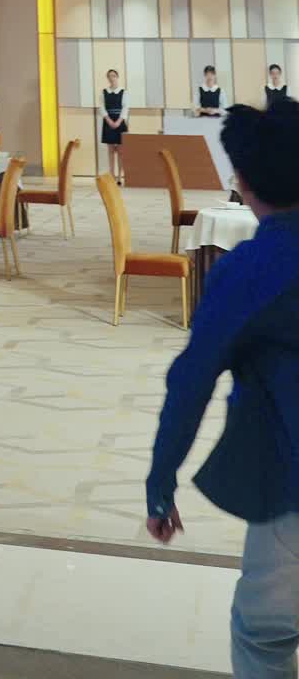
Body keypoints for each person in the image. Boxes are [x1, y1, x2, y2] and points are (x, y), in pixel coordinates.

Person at [145, 99, 299, 679]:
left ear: (242, 182)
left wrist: (161, 485)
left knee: (262, 639)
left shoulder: (250, 270)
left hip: (291, 487)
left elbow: (190, 383)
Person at [100, 67, 129, 182]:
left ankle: (120, 177)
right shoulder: (104, 92)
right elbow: (102, 108)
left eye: (113, 76)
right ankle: (112, 175)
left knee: (121, 151)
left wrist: (118, 122)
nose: (111, 78)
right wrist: (109, 121)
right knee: (111, 151)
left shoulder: (123, 92)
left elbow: (125, 107)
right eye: (109, 76)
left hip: (120, 122)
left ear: (117, 77)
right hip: (108, 122)